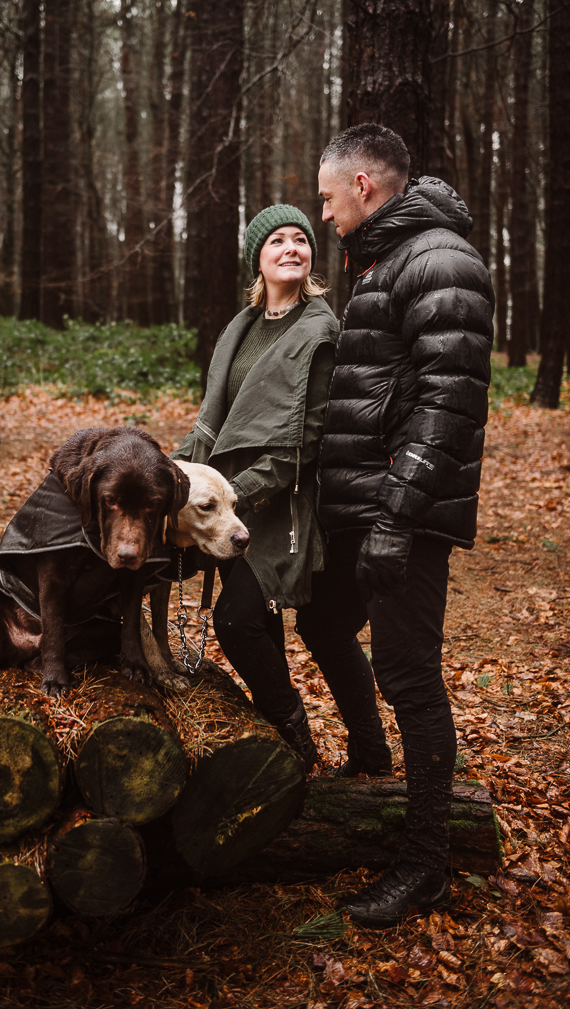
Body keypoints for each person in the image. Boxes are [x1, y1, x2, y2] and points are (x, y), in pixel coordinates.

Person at [298, 123, 494, 926]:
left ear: (364, 187)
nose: (322, 211)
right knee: (320, 618)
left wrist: (395, 518)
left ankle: (425, 867)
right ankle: (370, 763)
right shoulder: (384, 258)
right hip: (364, 508)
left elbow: (450, 403)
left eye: (326, 194)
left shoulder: (438, 258)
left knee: (409, 679)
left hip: (400, 514)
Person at [172, 205, 339, 768]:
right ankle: (284, 754)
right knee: (260, 626)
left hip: (273, 501)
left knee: (237, 621)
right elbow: (210, 420)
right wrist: (175, 474)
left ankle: (295, 737)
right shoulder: (238, 329)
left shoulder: (318, 331)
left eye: (301, 240)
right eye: (277, 242)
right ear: (259, 259)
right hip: (224, 498)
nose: (291, 248)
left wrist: (228, 493)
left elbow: (307, 438)